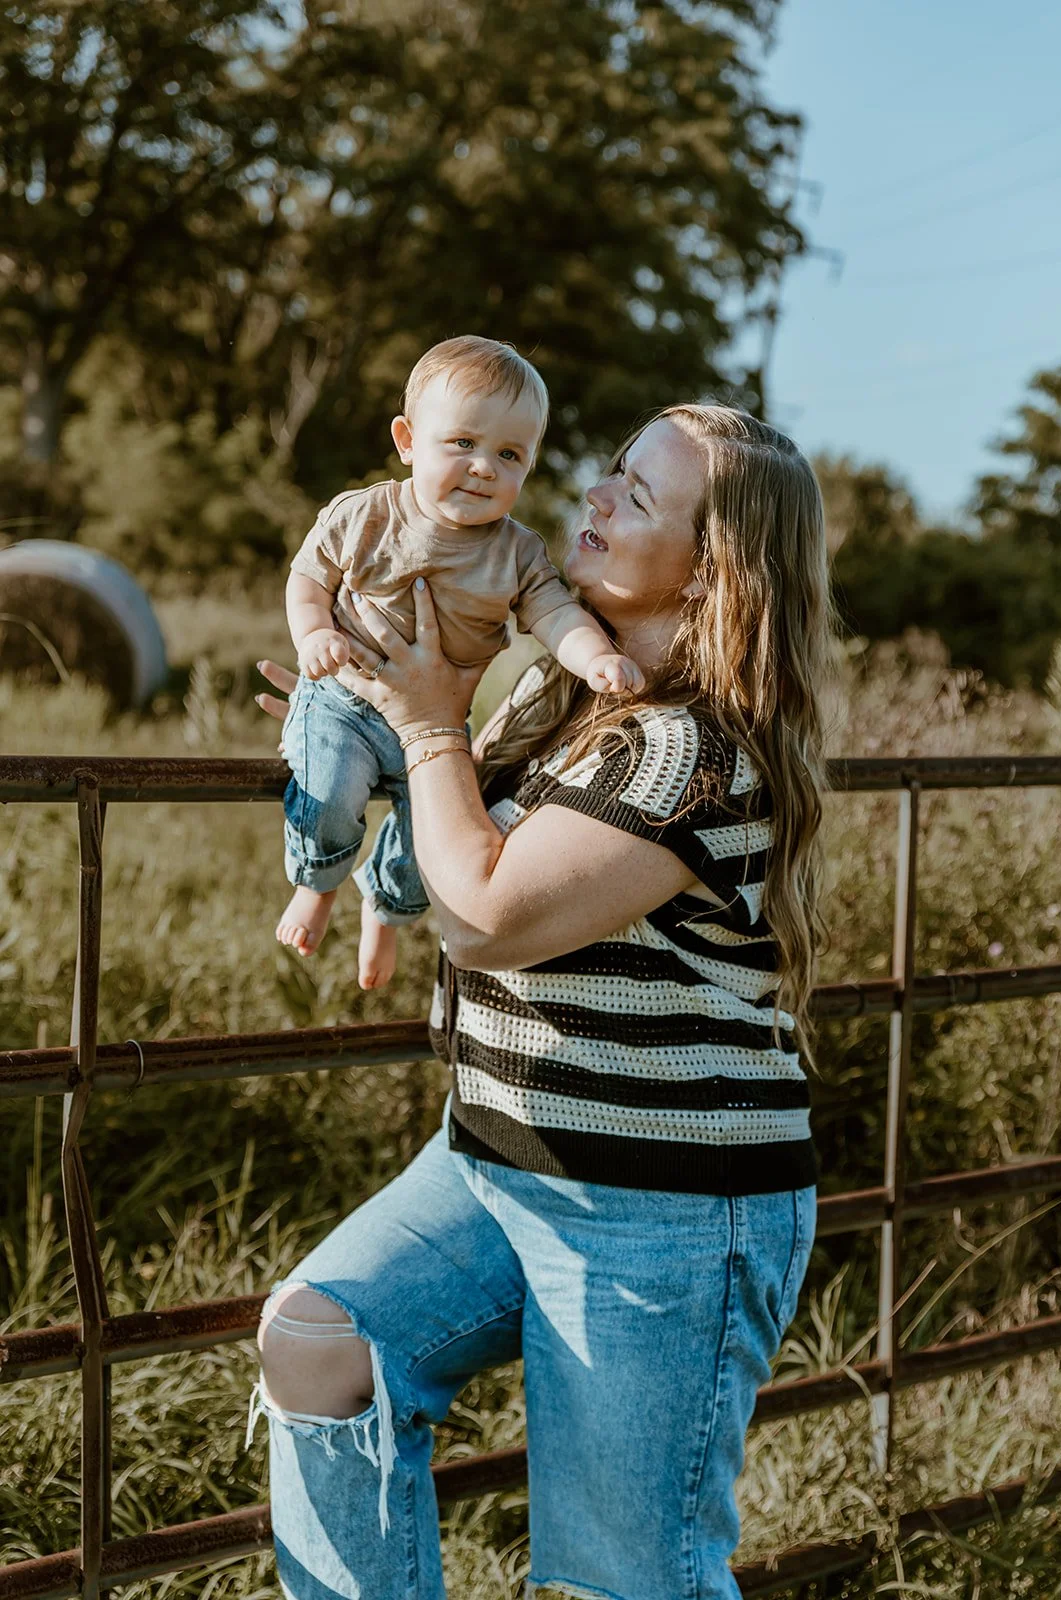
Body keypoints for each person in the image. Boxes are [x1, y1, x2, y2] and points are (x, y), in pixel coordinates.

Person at [248, 404, 835, 1600]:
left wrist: (422, 725)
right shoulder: (555, 705)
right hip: (492, 1160)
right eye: (607, 472)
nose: (592, 498)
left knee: (631, 1576)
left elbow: (481, 914)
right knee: (316, 1343)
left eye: (636, 495)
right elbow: (440, 819)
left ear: (713, 564)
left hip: (661, 1210)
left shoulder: (688, 747)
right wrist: (358, 728)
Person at [276, 335, 642, 987]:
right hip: (345, 700)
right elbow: (310, 578)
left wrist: (596, 658)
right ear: (408, 440)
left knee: (433, 849)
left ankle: (383, 912)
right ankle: (318, 884)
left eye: (508, 455)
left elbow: (557, 616)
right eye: (462, 444)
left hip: (440, 720)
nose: (482, 468)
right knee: (329, 790)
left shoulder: (517, 553)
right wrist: (312, 637)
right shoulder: (365, 516)